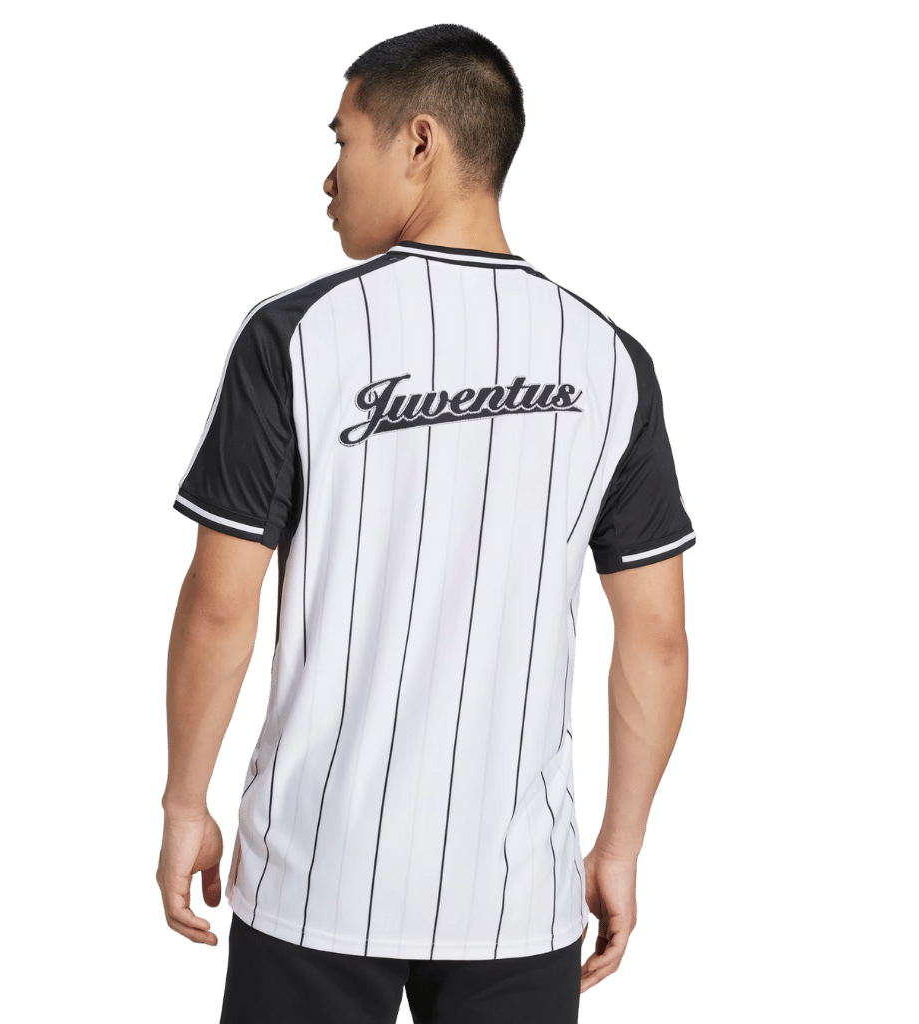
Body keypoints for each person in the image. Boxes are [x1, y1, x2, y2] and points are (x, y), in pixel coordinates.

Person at [156, 21, 695, 1024]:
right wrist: (619, 849)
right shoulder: (611, 358)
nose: (328, 177)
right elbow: (655, 636)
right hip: (518, 896)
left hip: (310, 879)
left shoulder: (297, 334)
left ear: (418, 143)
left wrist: (186, 802)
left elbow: (221, 605)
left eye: (342, 139)